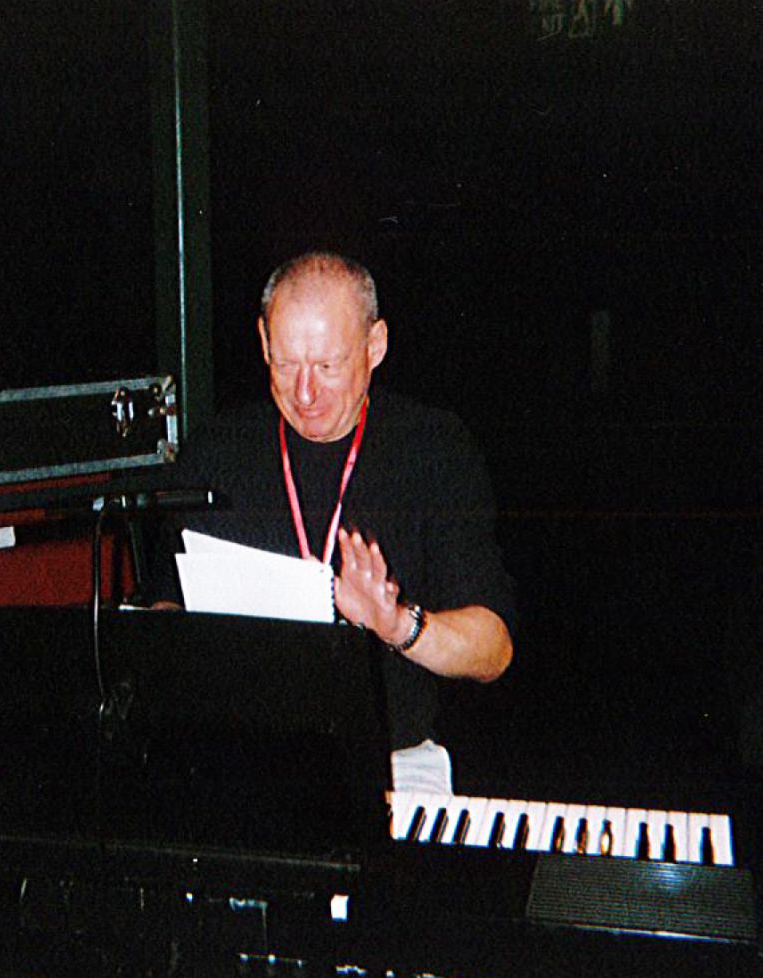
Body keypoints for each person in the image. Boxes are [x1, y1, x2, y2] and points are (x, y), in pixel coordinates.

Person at [149, 250, 515, 795]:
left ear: (375, 347)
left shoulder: (433, 449)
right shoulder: (215, 453)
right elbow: (165, 610)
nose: (304, 392)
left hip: (394, 764)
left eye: (327, 366)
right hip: (248, 761)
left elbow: (494, 649)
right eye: (286, 364)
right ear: (264, 342)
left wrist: (397, 625)